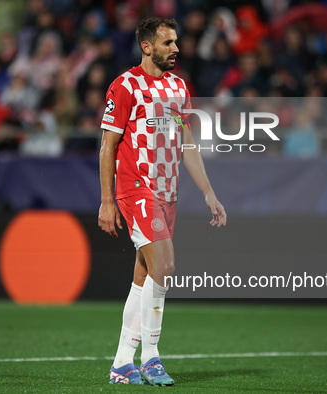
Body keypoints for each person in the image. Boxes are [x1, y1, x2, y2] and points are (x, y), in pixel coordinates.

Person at [98, 18, 226, 386]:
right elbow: (108, 145)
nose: (177, 49)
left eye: (176, 42)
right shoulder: (125, 86)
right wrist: (107, 201)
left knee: (145, 276)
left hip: (167, 191)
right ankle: (151, 358)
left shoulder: (177, 87)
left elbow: (187, 144)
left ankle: (123, 363)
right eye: (168, 42)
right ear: (147, 47)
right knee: (165, 265)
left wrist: (208, 191)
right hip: (137, 188)